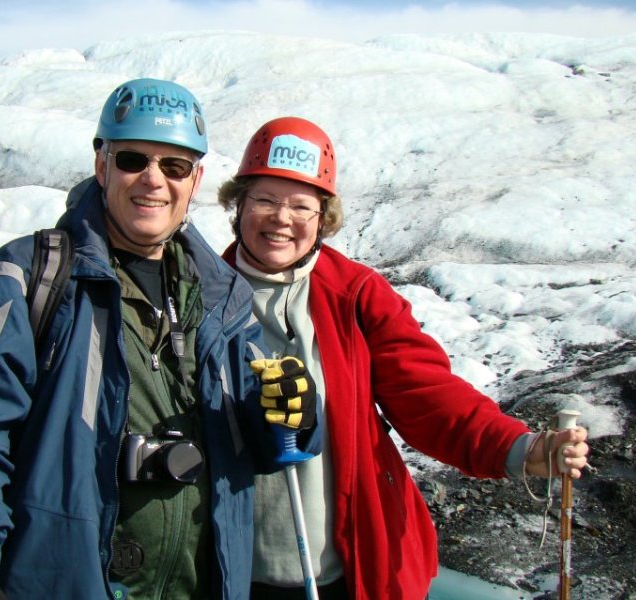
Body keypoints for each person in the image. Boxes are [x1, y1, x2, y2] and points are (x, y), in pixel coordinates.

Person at [0, 79, 318, 600]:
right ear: (101, 165)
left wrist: (291, 420)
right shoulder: (28, 278)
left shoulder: (223, 298)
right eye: (133, 159)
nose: (153, 181)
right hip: (70, 580)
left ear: (194, 181)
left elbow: (257, 448)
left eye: (174, 166)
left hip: (203, 583)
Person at [217, 116, 590, 599]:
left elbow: (427, 395)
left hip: (347, 566)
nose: (281, 218)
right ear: (238, 204)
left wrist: (520, 448)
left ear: (323, 218)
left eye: (301, 206)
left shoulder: (355, 294)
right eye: (264, 199)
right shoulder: (202, 294)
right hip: (234, 567)